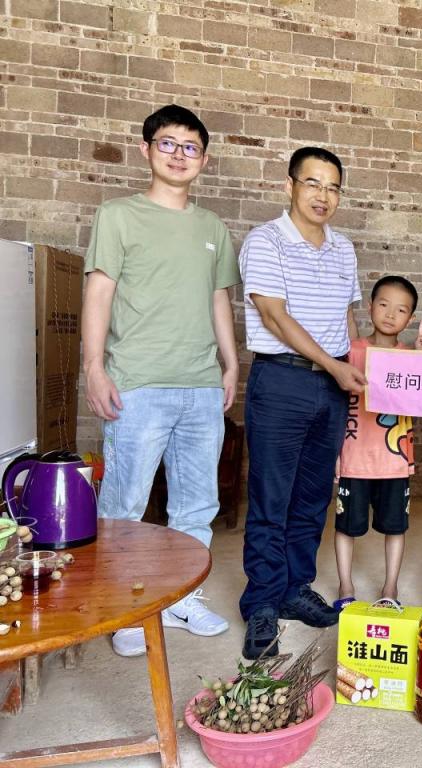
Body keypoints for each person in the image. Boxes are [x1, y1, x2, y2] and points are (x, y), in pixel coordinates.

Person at [82, 104, 239, 658]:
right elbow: (99, 292)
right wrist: (94, 365)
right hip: (138, 383)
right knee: (124, 506)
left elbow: (218, 299)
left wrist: (231, 363)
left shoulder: (212, 227)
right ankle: (126, 610)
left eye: (190, 147)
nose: (178, 155)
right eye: (167, 143)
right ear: (146, 149)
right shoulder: (117, 216)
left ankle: (181, 600)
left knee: (196, 506)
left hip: (200, 385)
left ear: (204, 159)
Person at [238, 146, 366, 659]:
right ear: (289, 185)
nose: (323, 195)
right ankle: (262, 602)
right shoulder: (265, 240)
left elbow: (347, 318)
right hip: (281, 381)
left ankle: (294, 588)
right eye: (313, 183)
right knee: (271, 497)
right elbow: (274, 316)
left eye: (333, 187)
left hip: (331, 388)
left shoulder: (344, 248)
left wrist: (356, 367)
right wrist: (334, 365)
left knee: (312, 497)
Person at [333, 276, 422, 608]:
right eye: (384, 305)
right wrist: (335, 454)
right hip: (355, 458)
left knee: (396, 527)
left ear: (411, 318)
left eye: (401, 310)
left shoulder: (412, 358)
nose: (391, 314)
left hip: (395, 462)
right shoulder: (350, 352)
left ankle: (390, 587)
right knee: (346, 526)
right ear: (370, 306)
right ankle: (345, 585)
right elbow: (337, 404)